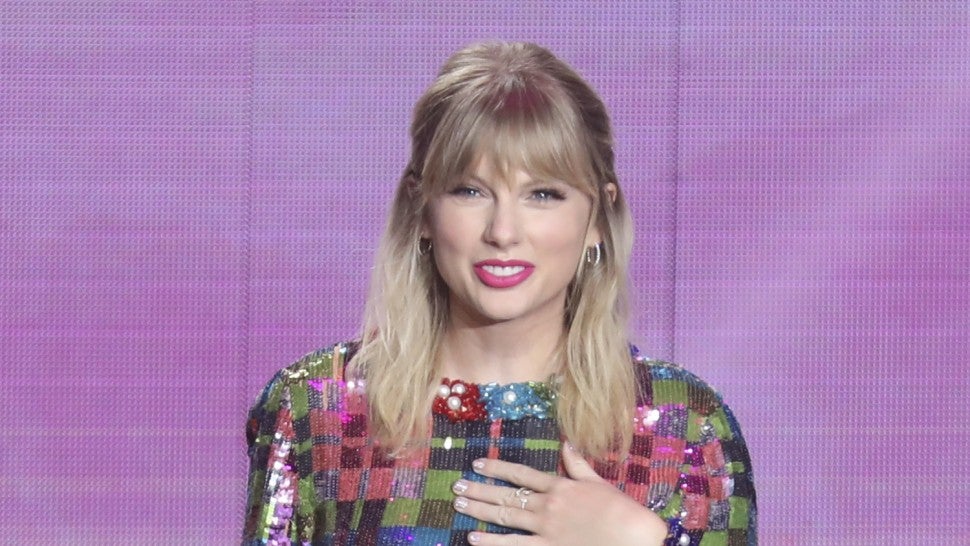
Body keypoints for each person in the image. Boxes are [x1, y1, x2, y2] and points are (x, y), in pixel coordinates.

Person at [242, 41, 756, 546]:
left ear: (598, 217)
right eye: (470, 191)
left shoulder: (686, 425)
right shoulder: (317, 407)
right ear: (422, 209)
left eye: (543, 194)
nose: (503, 232)